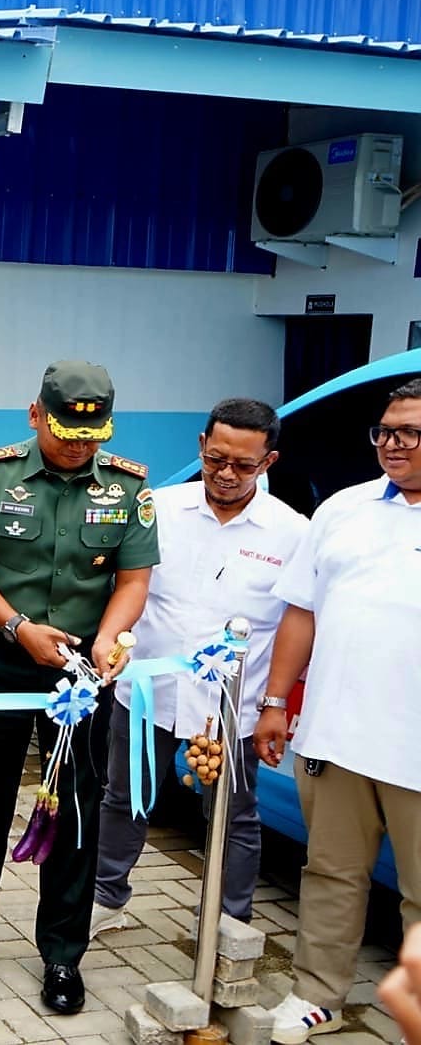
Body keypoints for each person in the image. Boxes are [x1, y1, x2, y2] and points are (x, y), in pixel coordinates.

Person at [0, 360, 158, 1014]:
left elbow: (133, 580)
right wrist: (18, 627)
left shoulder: (128, 488)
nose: (78, 447)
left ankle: (63, 954)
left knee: (77, 812)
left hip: (82, 673)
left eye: (91, 437)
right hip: (1, 660)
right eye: (65, 432)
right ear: (36, 415)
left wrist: (110, 637)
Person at [93, 398, 307, 934]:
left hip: (230, 706)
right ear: (201, 447)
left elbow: (296, 622)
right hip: (148, 692)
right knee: (123, 799)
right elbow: (125, 585)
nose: (226, 473)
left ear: (269, 462)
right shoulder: (158, 508)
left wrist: (275, 703)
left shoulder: (292, 533)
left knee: (234, 815)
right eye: (215, 459)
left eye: (243, 465)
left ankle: (227, 918)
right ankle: (106, 898)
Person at [255, 378, 421, 1045]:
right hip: (336, 737)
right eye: (386, 431)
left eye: (411, 432)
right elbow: (301, 610)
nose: (393, 444)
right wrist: (274, 702)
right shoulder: (344, 510)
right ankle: (315, 995)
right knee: (330, 874)